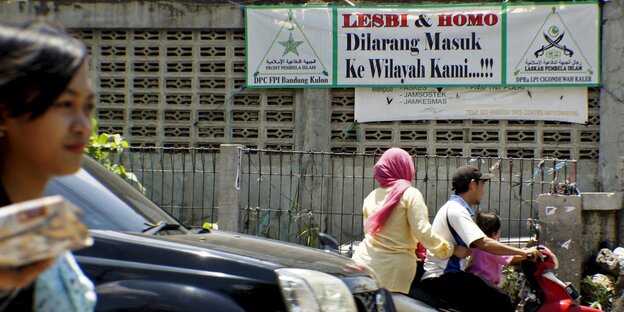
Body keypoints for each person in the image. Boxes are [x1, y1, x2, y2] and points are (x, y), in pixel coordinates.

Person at [0, 21, 96, 311]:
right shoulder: (11, 237)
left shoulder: (37, 225)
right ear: (4, 112)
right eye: (65, 104)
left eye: (88, 107)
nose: (84, 127)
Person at [420, 165, 538, 312]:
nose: (483, 190)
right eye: (482, 184)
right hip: (443, 278)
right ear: (473, 184)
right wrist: (524, 253)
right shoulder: (456, 211)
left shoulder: (455, 208)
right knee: (501, 300)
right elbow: (484, 242)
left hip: (446, 277)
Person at [351, 148, 470, 294]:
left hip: (363, 263)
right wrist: (450, 249)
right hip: (394, 270)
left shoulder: (371, 196)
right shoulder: (410, 194)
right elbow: (422, 232)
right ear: (405, 168)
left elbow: (369, 232)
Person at [466, 212, 522, 286]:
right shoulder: (491, 248)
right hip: (486, 284)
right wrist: (526, 255)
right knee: (504, 297)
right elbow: (511, 257)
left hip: (473, 280)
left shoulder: (476, 244)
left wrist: (524, 250)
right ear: (494, 233)